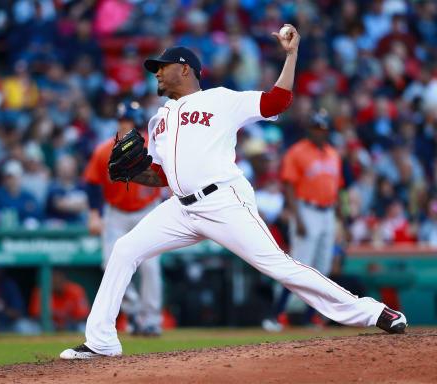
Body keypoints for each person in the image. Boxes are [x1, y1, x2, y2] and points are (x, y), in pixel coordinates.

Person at [60, 25, 407, 359]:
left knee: (279, 267)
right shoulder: (158, 119)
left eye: (162, 68)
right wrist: (135, 174)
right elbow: (162, 176)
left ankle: (372, 312)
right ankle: (101, 341)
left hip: (224, 201)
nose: (156, 74)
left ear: (184, 69)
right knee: (123, 250)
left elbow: (277, 102)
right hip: (181, 209)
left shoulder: (220, 100)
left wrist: (291, 55)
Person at [82, 101, 163, 336]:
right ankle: (134, 312)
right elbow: (92, 183)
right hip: (116, 214)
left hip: (147, 212)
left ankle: (151, 320)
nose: (126, 125)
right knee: (111, 264)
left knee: (150, 267)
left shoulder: (154, 145)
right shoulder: (104, 150)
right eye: (122, 121)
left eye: (130, 121)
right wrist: (94, 215)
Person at [262, 110, 344, 331]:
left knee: (322, 268)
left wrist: (338, 220)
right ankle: (275, 314)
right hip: (305, 209)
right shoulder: (297, 152)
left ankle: (309, 316)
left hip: (327, 212)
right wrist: (297, 217)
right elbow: (288, 185)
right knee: (299, 266)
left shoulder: (333, 154)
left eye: (323, 129)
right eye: (317, 128)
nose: (320, 132)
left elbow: (336, 189)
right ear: (310, 129)